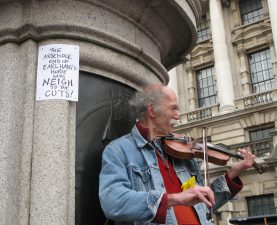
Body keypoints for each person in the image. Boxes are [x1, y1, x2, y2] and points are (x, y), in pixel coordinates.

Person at [99, 84, 255, 225]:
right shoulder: (118, 150)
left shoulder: (182, 152)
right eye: (173, 108)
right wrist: (174, 198)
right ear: (152, 110)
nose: (178, 115)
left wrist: (234, 173)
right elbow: (112, 201)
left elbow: (202, 204)